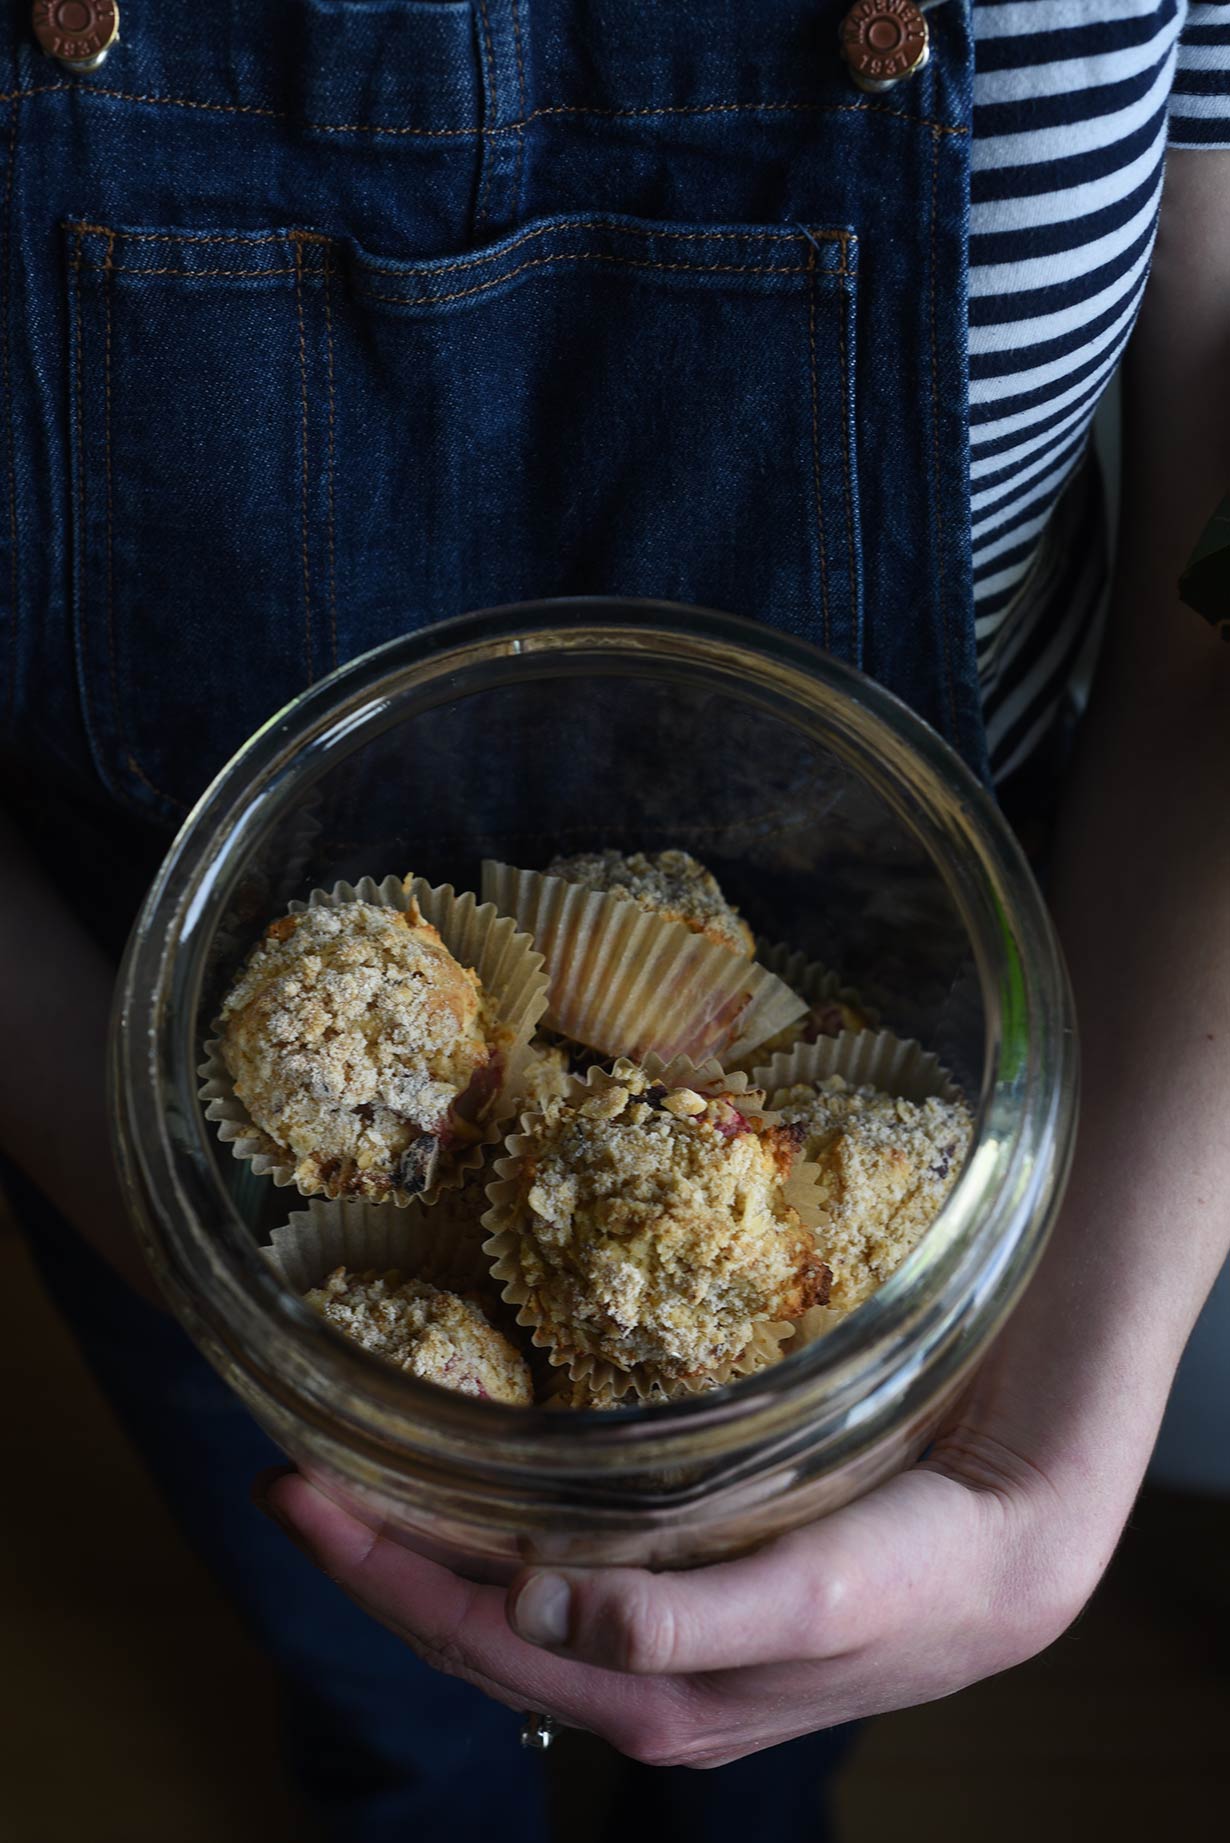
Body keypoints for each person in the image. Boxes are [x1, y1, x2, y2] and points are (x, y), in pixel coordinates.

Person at [3, 2, 1229, 1838]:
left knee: (771, 1728)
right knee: (357, 1673)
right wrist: (246, 1302)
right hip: (141, 1085)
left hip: (964, 1027)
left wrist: (1059, 1425)